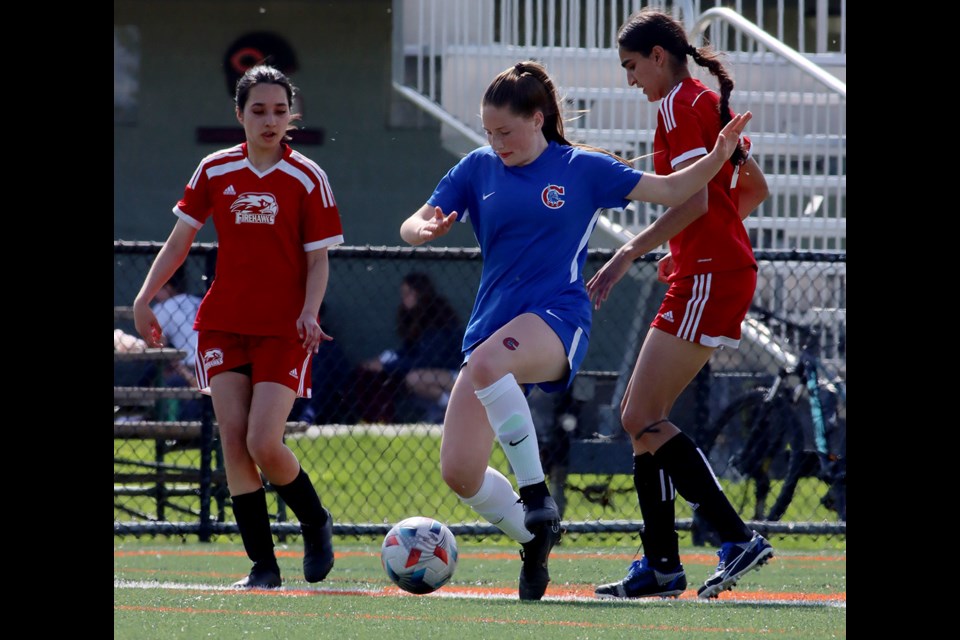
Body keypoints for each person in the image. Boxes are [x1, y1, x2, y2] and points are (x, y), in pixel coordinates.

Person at [399, 59, 752, 600]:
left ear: (537, 119)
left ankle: (537, 493)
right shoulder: (476, 168)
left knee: (492, 363)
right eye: (488, 132)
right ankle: (534, 535)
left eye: (506, 131)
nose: (496, 142)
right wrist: (424, 228)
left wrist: (719, 156)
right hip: (491, 333)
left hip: (558, 321)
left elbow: (675, 188)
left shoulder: (582, 168)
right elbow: (413, 220)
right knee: (460, 474)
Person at [132, 64, 343, 589]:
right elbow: (180, 239)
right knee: (233, 441)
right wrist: (144, 296)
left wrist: (309, 311)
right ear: (239, 115)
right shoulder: (215, 170)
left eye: (279, 110)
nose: (270, 120)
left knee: (264, 442)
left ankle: (316, 522)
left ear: (291, 115)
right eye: (258, 110)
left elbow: (319, 261)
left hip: (284, 329)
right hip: (224, 324)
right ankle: (263, 567)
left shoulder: (307, 177)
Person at [587, 8, 773, 601]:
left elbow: (691, 203)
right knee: (644, 422)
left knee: (638, 416)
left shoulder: (676, 107)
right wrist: (692, 247)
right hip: (712, 270)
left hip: (711, 276)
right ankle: (662, 566)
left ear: (659, 57)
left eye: (632, 66)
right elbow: (751, 190)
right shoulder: (700, 102)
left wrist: (629, 254)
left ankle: (734, 538)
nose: (631, 80)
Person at [354, 272, 463, 423]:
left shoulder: (438, 317)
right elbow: (410, 352)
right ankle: (449, 411)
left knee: (413, 378)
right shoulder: (413, 317)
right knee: (405, 381)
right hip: (434, 375)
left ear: (421, 292)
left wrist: (387, 365)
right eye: (403, 293)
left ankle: (457, 408)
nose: (405, 297)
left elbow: (428, 361)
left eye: (410, 293)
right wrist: (385, 358)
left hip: (455, 375)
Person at [148, 264, 203, 420]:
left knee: (159, 374)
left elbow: (157, 345)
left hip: (192, 368)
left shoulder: (163, 307)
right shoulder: (197, 301)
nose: (154, 295)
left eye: (157, 289)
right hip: (216, 363)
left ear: (168, 287)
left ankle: (174, 428)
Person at [290, 302, 352, 425]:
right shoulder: (286, 343)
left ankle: (306, 420)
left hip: (325, 402)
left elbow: (344, 376)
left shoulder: (328, 346)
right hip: (290, 398)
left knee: (319, 362)